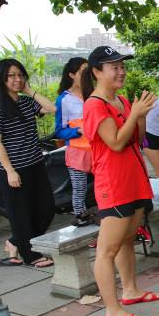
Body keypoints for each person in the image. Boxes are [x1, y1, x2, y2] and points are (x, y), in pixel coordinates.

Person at [82, 46, 159, 316]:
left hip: (134, 180)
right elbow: (115, 142)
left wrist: (140, 116)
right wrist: (134, 114)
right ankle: (112, 310)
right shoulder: (94, 105)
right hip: (113, 184)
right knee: (107, 250)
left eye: (122, 66)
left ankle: (131, 290)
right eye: (114, 67)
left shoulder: (122, 101)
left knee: (128, 239)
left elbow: (136, 139)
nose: (121, 72)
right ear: (96, 72)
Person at [0, 59, 57, 268]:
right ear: (2, 79)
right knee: (21, 215)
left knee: (46, 209)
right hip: (14, 169)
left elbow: (52, 108)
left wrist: (29, 90)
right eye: (11, 76)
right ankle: (30, 255)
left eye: (20, 75)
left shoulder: (26, 102)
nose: (17, 79)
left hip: (35, 163)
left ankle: (16, 242)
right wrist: (10, 171)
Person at [54, 57, 93, 227]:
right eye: (82, 72)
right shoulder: (64, 99)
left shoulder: (94, 94)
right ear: (71, 75)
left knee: (104, 183)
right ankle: (80, 216)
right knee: (79, 186)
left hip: (99, 148)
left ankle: (106, 211)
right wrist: (77, 131)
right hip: (77, 151)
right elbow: (59, 131)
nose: (87, 75)